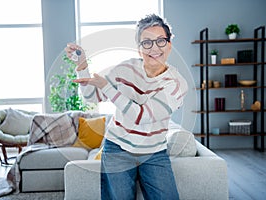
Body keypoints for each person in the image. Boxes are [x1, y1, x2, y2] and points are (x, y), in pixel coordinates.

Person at [65, 14, 187, 200]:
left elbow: (142, 116)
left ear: (169, 44)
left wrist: (105, 86)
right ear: (139, 49)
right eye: (146, 42)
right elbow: (92, 96)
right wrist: (82, 64)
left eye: (160, 41)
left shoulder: (176, 83)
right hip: (117, 149)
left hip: (154, 152)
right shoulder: (125, 69)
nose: (154, 48)